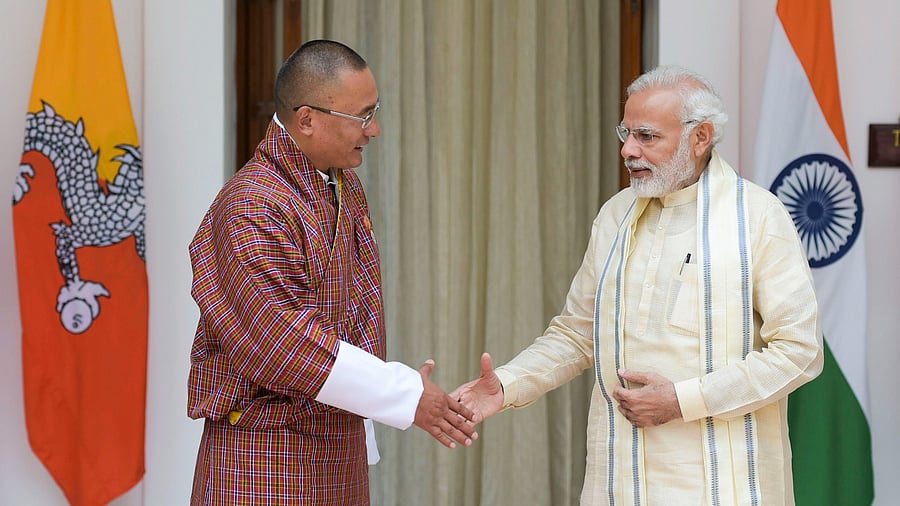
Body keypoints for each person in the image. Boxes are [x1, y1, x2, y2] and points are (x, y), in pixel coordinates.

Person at [453, 65, 823, 505]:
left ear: (700, 137)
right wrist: (508, 385)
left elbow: (799, 352)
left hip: (722, 485)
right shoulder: (617, 214)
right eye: (625, 133)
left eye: (647, 137)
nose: (628, 150)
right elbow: (577, 332)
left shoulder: (758, 217)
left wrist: (682, 400)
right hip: (617, 481)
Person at [187, 39, 476, 505]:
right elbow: (280, 342)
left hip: (336, 450)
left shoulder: (340, 184)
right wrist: (401, 392)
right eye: (362, 116)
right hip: (264, 460)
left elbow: (360, 311)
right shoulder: (252, 205)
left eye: (374, 110)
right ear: (307, 119)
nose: (375, 129)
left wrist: (389, 390)